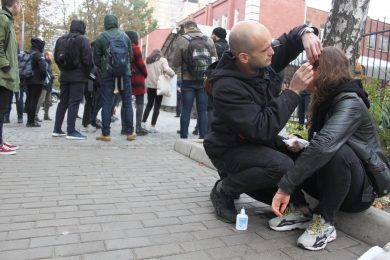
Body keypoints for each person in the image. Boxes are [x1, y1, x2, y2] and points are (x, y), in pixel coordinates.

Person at [203, 21, 322, 223]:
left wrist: (306, 33)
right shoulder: (226, 87)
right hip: (228, 149)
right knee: (281, 165)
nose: (272, 52)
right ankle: (225, 189)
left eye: (270, 45)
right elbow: (261, 129)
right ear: (244, 57)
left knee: (301, 155)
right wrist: (293, 92)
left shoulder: (259, 59)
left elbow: (290, 39)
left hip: (255, 145)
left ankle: (290, 200)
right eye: (266, 49)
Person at [270, 46, 381, 250]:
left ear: (326, 70)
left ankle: (325, 221)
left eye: (312, 66)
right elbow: (319, 142)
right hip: (330, 182)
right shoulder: (325, 99)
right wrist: (302, 143)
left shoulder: (351, 102)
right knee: (283, 143)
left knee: (336, 151)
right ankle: (302, 210)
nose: (305, 69)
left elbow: (326, 144)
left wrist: (286, 186)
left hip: (358, 192)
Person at [93, 14, 135, 142]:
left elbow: (96, 59)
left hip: (108, 76)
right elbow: (131, 57)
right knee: (127, 102)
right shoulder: (125, 36)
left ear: (105, 23)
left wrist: (105, 68)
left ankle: (106, 134)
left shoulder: (101, 37)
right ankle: (129, 132)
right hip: (124, 74)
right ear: (116, 22)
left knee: (107, 102)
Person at [172, 20, 217, 139]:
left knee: (186, 109)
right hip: (204, 80)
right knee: (203, 110)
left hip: (187, 79)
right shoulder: (209, 40)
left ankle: (183, 136)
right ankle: (203, 137)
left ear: (186, 28)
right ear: (196, 27)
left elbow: (175, 62)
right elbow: (215, 61)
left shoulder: (182, 39)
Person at [53, 19, 93, 140]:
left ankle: (57, 129)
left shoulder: (60, 40)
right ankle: (71, 131)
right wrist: (87, 74)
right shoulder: (83, 40)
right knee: (74, 102)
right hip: (78, 77)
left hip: (64, 76)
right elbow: (88, 60)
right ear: (83, 28)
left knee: (62, 102)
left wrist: (63, 69)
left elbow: (56, 57)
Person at [0, 0, 20, 155]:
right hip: (2, 74)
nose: (19, 8)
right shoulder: (3, 18)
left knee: (3, 109)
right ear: (14, 4)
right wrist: (5, 65)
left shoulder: (7, 20)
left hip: (6, 75)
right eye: (19, 4)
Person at [141, 49, 175, 133]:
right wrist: (172, 73)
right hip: (159, 86)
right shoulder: (162, 60)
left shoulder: (147, 60)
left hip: (150, 86)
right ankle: (152, 126)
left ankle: (143, 123)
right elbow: (167, 69)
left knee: (149, 105)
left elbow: (143, 71)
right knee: (157, 106)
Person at [125, 30, 148, 136]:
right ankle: (138, 127)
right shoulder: (135, 48)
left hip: (127, 77)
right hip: (137, 78)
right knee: (139, 103)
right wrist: (145, 73)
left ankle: (125, 127)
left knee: (127, 103)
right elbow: (141, 65)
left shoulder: (124, 47)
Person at [25, 37, 46, 127]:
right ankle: (31, 121)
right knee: (34, 101)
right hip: (37, 81)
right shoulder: (38, 55)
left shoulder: (29, 53)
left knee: (29, 100)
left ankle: (29, 120)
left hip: (28, 79)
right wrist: (43, 77)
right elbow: (43, 69)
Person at [36, 51, 54, 122]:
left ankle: (46, 115)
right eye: (51, 56)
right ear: (46, 56)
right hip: (44, 85)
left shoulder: (49, 64)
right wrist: (51, 76)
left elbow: (49, 74)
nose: (52, 57)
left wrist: (52, 76)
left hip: (49, 85)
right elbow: (44, 73)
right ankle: (35, 115)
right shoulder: (44, 63)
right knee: (40, 101)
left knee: (48, 101)